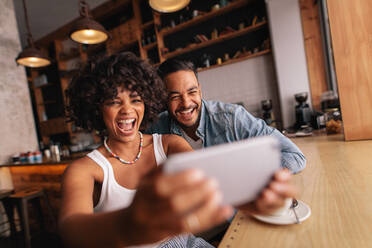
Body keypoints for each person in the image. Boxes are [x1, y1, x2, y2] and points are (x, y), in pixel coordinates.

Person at [59, 52, 296, 248]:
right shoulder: (84, 170)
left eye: (135, 99)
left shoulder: (169, 143)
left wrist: (252, 192)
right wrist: (130, 225)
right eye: (113, 101)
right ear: (95, 107)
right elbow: (71, 231)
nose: (127, 110)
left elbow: (211, 179)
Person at [147, 59, 306, 174]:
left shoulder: (232, 118)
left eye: (192, 92)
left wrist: (252, 175)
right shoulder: (157, 128)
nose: (186, 103)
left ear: (200, 91)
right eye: (175, 96)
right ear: (163, 98)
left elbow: (294, 156)